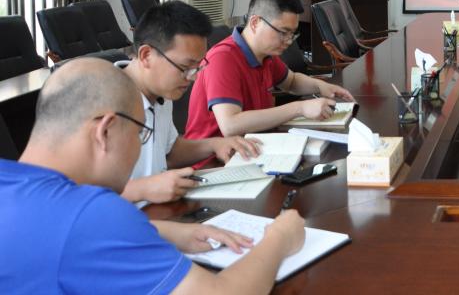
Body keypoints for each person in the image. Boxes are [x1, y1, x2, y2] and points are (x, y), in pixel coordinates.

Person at [0, 57, 306, 293]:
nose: (139, 147)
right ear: (105, 131)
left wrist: (167, 232)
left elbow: (54, 237)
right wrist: (279, 238)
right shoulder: (92, 213)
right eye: (140, 133)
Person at [121, 1, 262, 205]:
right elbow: (77, 193)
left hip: (158, 211)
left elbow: (169, 151)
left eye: (198, 67)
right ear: (146, 55)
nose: (193, 77)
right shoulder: (101, 102)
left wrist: (215, 144)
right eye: (185, 67)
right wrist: (143, 189)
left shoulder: (161, 93)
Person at [186, 0, 354, 140]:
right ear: (255, 23)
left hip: (254, 144)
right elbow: (231, 125)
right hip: (218, 158)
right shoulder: (222, 58)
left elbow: (291, 81)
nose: (289, 41)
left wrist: (320, 86)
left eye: (292, 34)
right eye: (283, 32)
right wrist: (300, 108)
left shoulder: (265, 54)